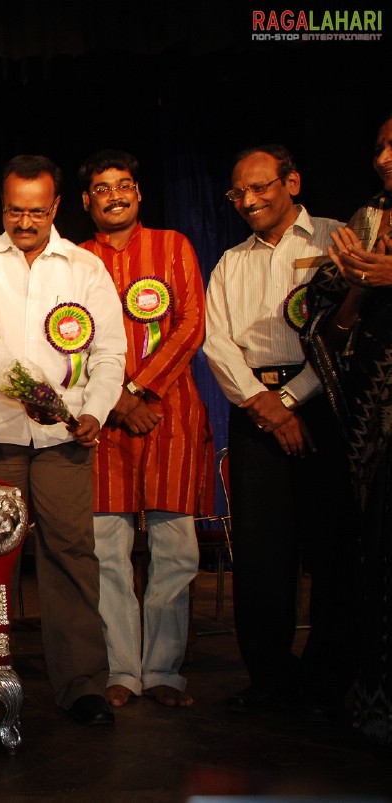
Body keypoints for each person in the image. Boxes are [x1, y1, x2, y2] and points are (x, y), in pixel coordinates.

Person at [0, 154, 127, 726]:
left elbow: (109, 354)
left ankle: (82, 685)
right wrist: (34, 392)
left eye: (35, 211)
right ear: (3, 206)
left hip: (65, 440)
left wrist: (95, 412)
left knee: (72, 555)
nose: (23, 222)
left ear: (54, 208)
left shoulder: (85, 268)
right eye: (13, 211)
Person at [203, 144, 357, 721]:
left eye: (260, 187)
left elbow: (348, 331)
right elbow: (217, 342)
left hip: (326, 406)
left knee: (333, 550)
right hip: (255, 413)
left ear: (292, 182)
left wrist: (292, 400)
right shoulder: (230, 261)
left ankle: (326, 682)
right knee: (262, 556)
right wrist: (265, 405)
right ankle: (268, 677)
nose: (248, 201)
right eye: (238, 193)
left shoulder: (336, 240)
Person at [77, 150, 213, 709]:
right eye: (102, 188)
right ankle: (120, 672)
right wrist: (115, 401)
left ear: (139, 194)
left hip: (171, 415)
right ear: (86, 201)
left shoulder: (174, 245)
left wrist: (139, 391)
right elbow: (67, 340)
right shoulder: (74, 259)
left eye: (124, 185)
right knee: (107, 551)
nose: (115, 195)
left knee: (175, 550)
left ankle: (162, 671)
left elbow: (192, 324)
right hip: (101, 424)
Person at [302, 113, 392, 744]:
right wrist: (360, 290)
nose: (384, 157)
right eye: (380, 144)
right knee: (377, 562)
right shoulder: (366, 222)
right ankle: (375, 705)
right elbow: (326, 329)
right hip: (374, 422)